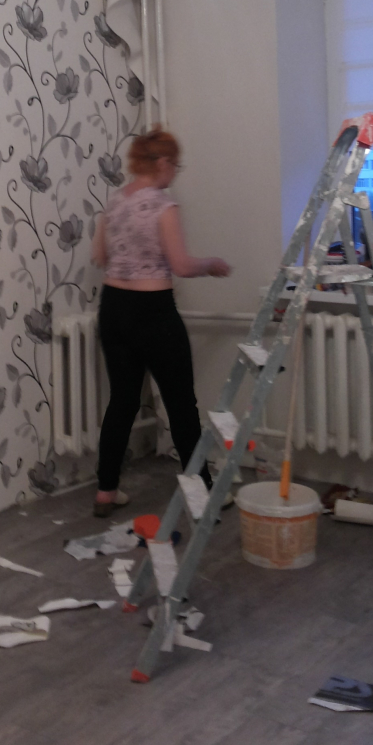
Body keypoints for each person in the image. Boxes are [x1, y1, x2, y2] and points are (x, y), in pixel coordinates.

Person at [90, 127, 231, 518]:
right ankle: (202, 492)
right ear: (163, 162)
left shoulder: (114, 202)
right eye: (176, 166)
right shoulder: (163, 206)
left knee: (122, 401)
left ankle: (105, 491)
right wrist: (211, 264)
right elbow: (182, 265)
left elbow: (99, 255)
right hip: (153, 313)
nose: (175, 174)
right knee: (181, 404)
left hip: (113, 309)